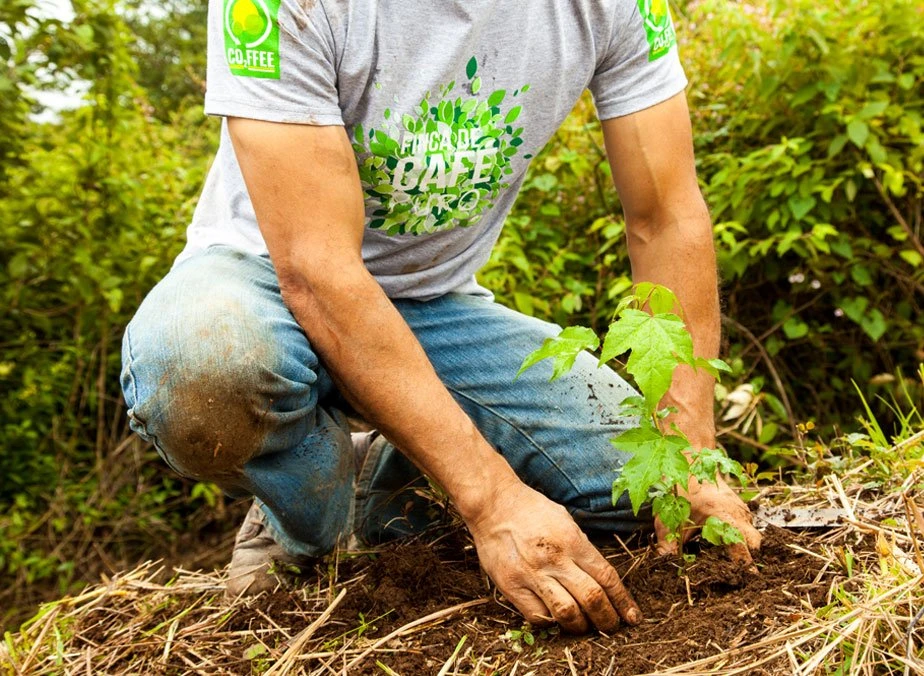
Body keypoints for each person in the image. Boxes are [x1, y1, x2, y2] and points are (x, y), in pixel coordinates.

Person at [120, 0, 761, 634]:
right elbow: (316, 271)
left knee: (646, 490)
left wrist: (690, 452)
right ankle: (302, 511)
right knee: (200, 365)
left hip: (434, 306)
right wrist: (492, 501)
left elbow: (667, 217)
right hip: (263, 280)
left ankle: (384, 475)